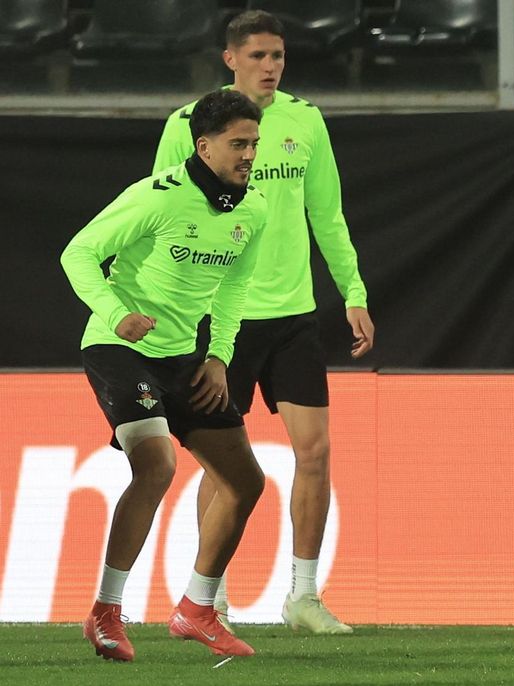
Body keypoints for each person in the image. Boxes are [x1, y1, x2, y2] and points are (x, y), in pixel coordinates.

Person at [153, 9, 372, 635]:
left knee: (316, 451)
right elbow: (160, 217)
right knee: (222, 464)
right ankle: (208, 595)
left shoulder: (304, 120)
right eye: (258, 57)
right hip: (222, 318)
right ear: (230, 59)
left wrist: (352, 290)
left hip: (294, 315)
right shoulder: (185, 126)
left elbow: (327, 215)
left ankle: (303, 596)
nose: (271, 67)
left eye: (278, 56)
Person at [65, 89, 270, 661]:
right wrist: (116, 313)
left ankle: (196, 610)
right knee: (157, 464)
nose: (249, 153)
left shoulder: (251, 210)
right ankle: (106, 612)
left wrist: (219, 356)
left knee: (246, 482)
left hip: (186, 357)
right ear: (203, 146)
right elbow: (77, 253)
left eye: (254, 142)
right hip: (118, 346)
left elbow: (232, 289)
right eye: (238, 143)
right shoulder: (155, 198)